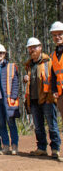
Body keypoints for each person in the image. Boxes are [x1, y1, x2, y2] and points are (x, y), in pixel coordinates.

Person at [24, 37, 61, 160]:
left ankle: (55, 149)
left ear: (40, 47)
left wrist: (53, 95)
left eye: (34, 47)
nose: (32, 50)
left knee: (52, 125)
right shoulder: (29, 65)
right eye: (30, 48)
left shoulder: (48, 61)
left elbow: (54, 78)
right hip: (34, 100)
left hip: (47, 99)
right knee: (38, 126)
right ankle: (41, 148)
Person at [49, 21, 63, 160]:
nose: (57, 37)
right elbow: (53, 74)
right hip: (60, 93)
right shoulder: (54, 54)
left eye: (60, 34)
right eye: (55, 35)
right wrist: (54, 89)